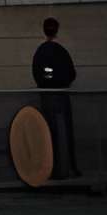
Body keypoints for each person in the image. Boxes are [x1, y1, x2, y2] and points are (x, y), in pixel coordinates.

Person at [32, 17, 79, 177]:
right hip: (61, 93)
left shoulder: (41, 51)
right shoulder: (60, 51)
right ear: (57, 30)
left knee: (50, 131)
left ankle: (52, 168)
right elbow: (71, 73)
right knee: (65, 130)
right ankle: (69, 166)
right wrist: (61, 80)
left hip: (47, 95)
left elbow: (40, 73)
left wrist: (48, 78)